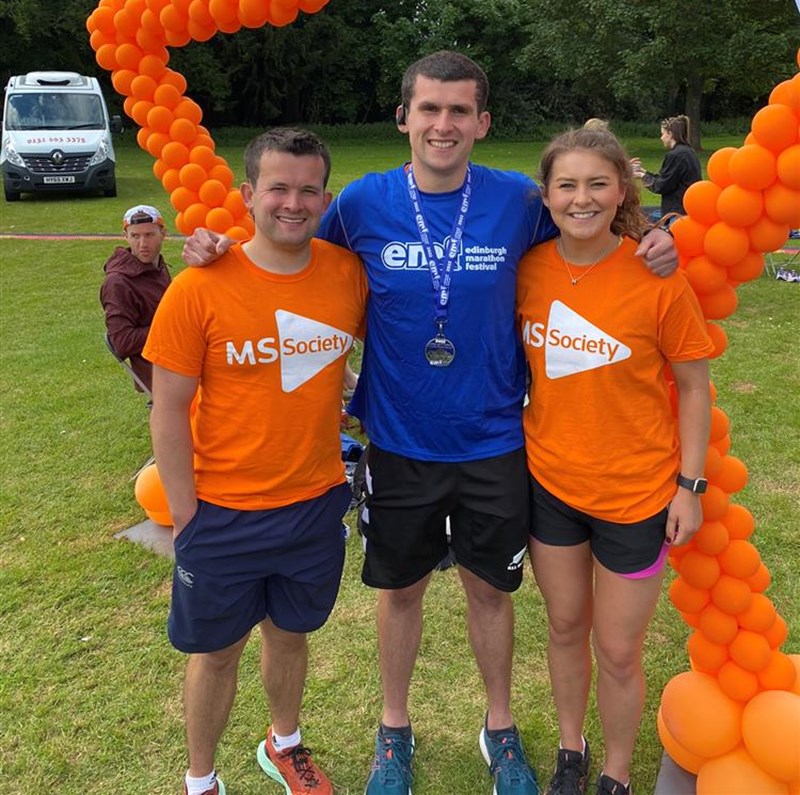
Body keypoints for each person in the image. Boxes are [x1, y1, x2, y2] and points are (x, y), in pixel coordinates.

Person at [183, 52, 678, 795]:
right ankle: (394, 729)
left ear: (482, 122)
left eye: (459, 110)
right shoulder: (362, 202)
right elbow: (287, 248)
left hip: (496, 441)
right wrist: (216, 244)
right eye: (429, 109)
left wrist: (658, 233)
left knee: (490, 592)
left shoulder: (518, 200)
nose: (443, 124)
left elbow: (592, 218)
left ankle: (499, 726)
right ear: (403, 117)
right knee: (401, 592)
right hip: (398, 441)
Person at [144, 128, 368, 795]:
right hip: (221, 512)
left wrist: (351, 390)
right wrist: (186, 513)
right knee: (217, 653)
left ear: (325, 196)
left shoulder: (347, 274)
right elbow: (167, 408)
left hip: (313, 504)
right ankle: (201, 779)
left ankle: (284, 744)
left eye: (308, 189)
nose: (293, 203)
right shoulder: (199, 286)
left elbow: (341, 349)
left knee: (290, 635)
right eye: (278, 188)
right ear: (247, 194)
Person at [517, 128, 712, 795]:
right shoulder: (527, 270)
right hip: (550, 485)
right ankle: (571, 751)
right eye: (567, 185)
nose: (582, 198)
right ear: (546, 196)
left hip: (637, 494)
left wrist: (690, 485)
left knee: (620, 649)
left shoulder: (657, 277)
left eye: (597, 183)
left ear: (622, 190)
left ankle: (616, 772)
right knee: (566, 626)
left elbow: (693, 385)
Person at [101, 204, 171, 393]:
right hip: (162, 375)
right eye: (135, 236)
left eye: (149, 235)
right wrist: (173, 327)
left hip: (181, 357)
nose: (143, 244)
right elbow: (122, 342)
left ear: (163, 234)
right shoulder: (117, 283)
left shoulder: (157, 266)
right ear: (126, 236)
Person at [631, 115, 702, 220]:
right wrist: (644, 172)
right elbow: (667, 178)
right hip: (687, 210)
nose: (661, 138)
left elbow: (662, 185)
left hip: (678, 213)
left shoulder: (676, 155)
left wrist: (642, 176)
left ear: (670, 134)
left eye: (663, 134)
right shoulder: (687, 151)